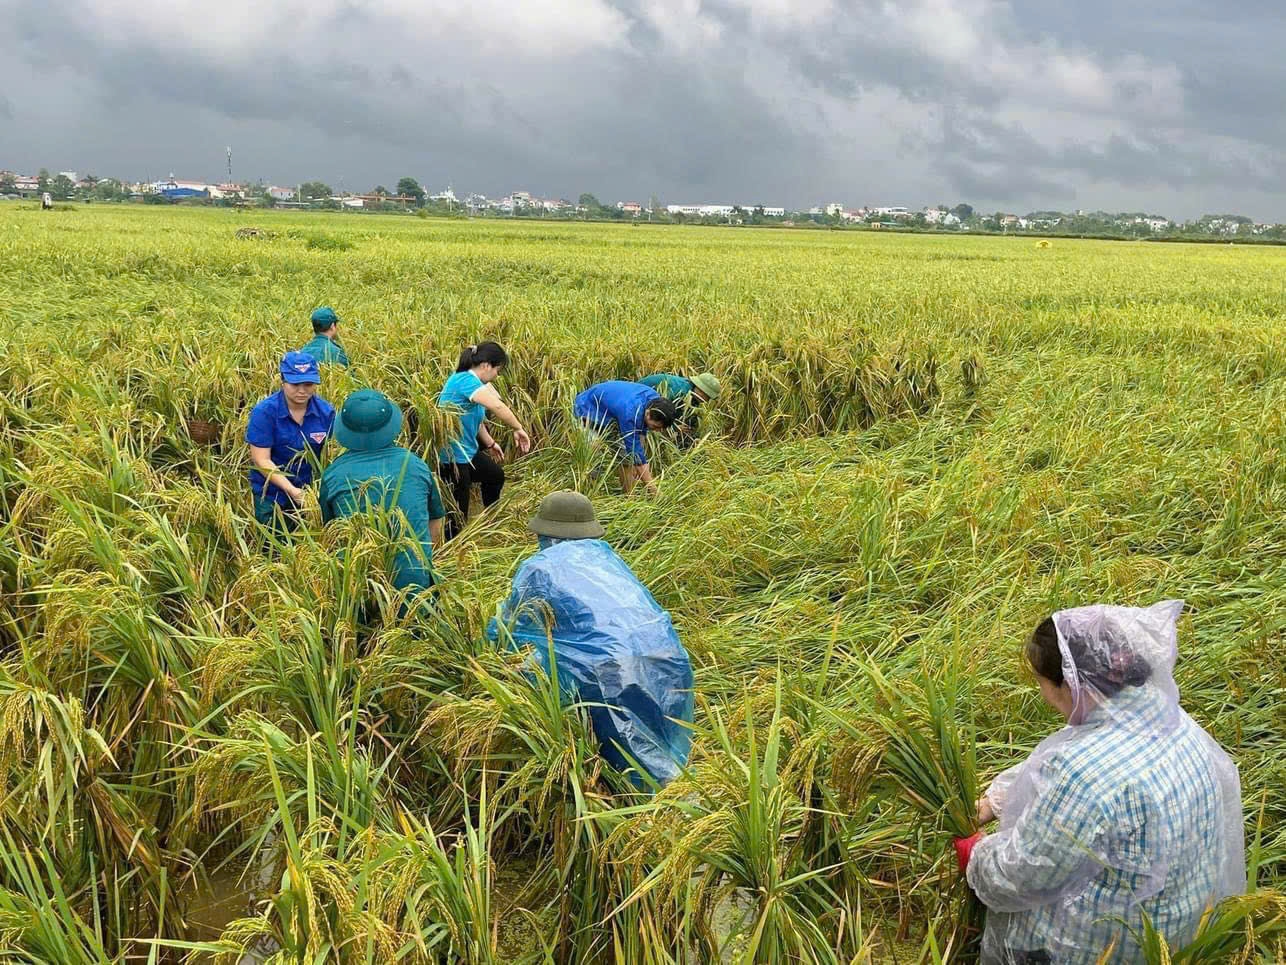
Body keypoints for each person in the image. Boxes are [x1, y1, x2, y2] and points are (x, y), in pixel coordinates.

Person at [957, 601, 1244, 964]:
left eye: (1042, 683)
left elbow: (1023, 875)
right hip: (1184, 924)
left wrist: (976, 855)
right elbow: (1071, 757)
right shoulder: (1162, 714)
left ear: (1072, 683)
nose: (1043, 695)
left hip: (1112, 945)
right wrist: (997, 798)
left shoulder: (1082, 773)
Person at [487, 491, 693, 786]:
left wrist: (487, 659)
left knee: (632, 779)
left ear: (545, 533)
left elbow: (506, 631)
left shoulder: (539, 569)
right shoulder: (608, 559)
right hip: (670, 661)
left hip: (613, 678)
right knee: (666, 762)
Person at [319, 389, 445, 601]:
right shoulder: (414, 465)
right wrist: (424, 560)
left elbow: (331, 532)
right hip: (415, 588)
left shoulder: (333, 475)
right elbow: (436, 520)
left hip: (356, 587)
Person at [436, 342, 531, 540]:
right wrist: (518, 428)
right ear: (486, 365)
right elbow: (497, 406)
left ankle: (490, 521)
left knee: (495, 475)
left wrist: (490, 444)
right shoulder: (464, 381)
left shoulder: (473, 384)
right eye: (498, 370)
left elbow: (476, 420)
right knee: (457, 514)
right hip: (452, 456)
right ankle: (452, 550)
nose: (498, 375)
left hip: (467, 452)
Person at [245, 352, 335, 534]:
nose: (302, 391)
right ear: (283, 381)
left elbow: (331, 454)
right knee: (273, 546)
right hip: (271, 494)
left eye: (308, 384)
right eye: (295, 384)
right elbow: (261, 460)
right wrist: (294, 492)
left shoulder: (326, 413)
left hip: (312, 493)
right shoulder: (265, 412)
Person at [572, 380, 677, 495]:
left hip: (611, 414)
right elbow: (635, 451)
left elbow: (639, 438)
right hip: (587, 410)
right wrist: (654, 491)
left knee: (626, 459)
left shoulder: (655, 402)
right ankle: (589, 495)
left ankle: (629, 497)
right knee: (593, 458)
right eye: (655, 427)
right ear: (648, 413)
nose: (657, 431)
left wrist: (637, 465)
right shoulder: (630, 413)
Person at [638, 371, 720, 448]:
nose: (707, 401)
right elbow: (661, 411)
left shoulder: (691, 392)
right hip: (639, 402)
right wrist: (674, 427)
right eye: (707, 397)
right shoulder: (679, 391)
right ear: (701, 391)